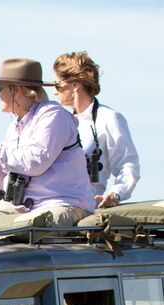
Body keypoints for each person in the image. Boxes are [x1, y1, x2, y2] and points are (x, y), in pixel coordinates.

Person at [0, 58, 96, 224]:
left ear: (16, 90)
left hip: (62, 203)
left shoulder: (53, 115)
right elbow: (4, 180)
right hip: (24, 207)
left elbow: (35, 163)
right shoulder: (16, 126)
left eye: (0, 88)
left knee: (26, 226)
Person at [51, 51, 140, 209]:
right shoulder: (62, 120)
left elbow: (127, 164)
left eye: (58, 84)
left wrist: (115, 194)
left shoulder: (109, 118)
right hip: (54, 202)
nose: (54, 91)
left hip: (87, 206)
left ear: (75, 84)